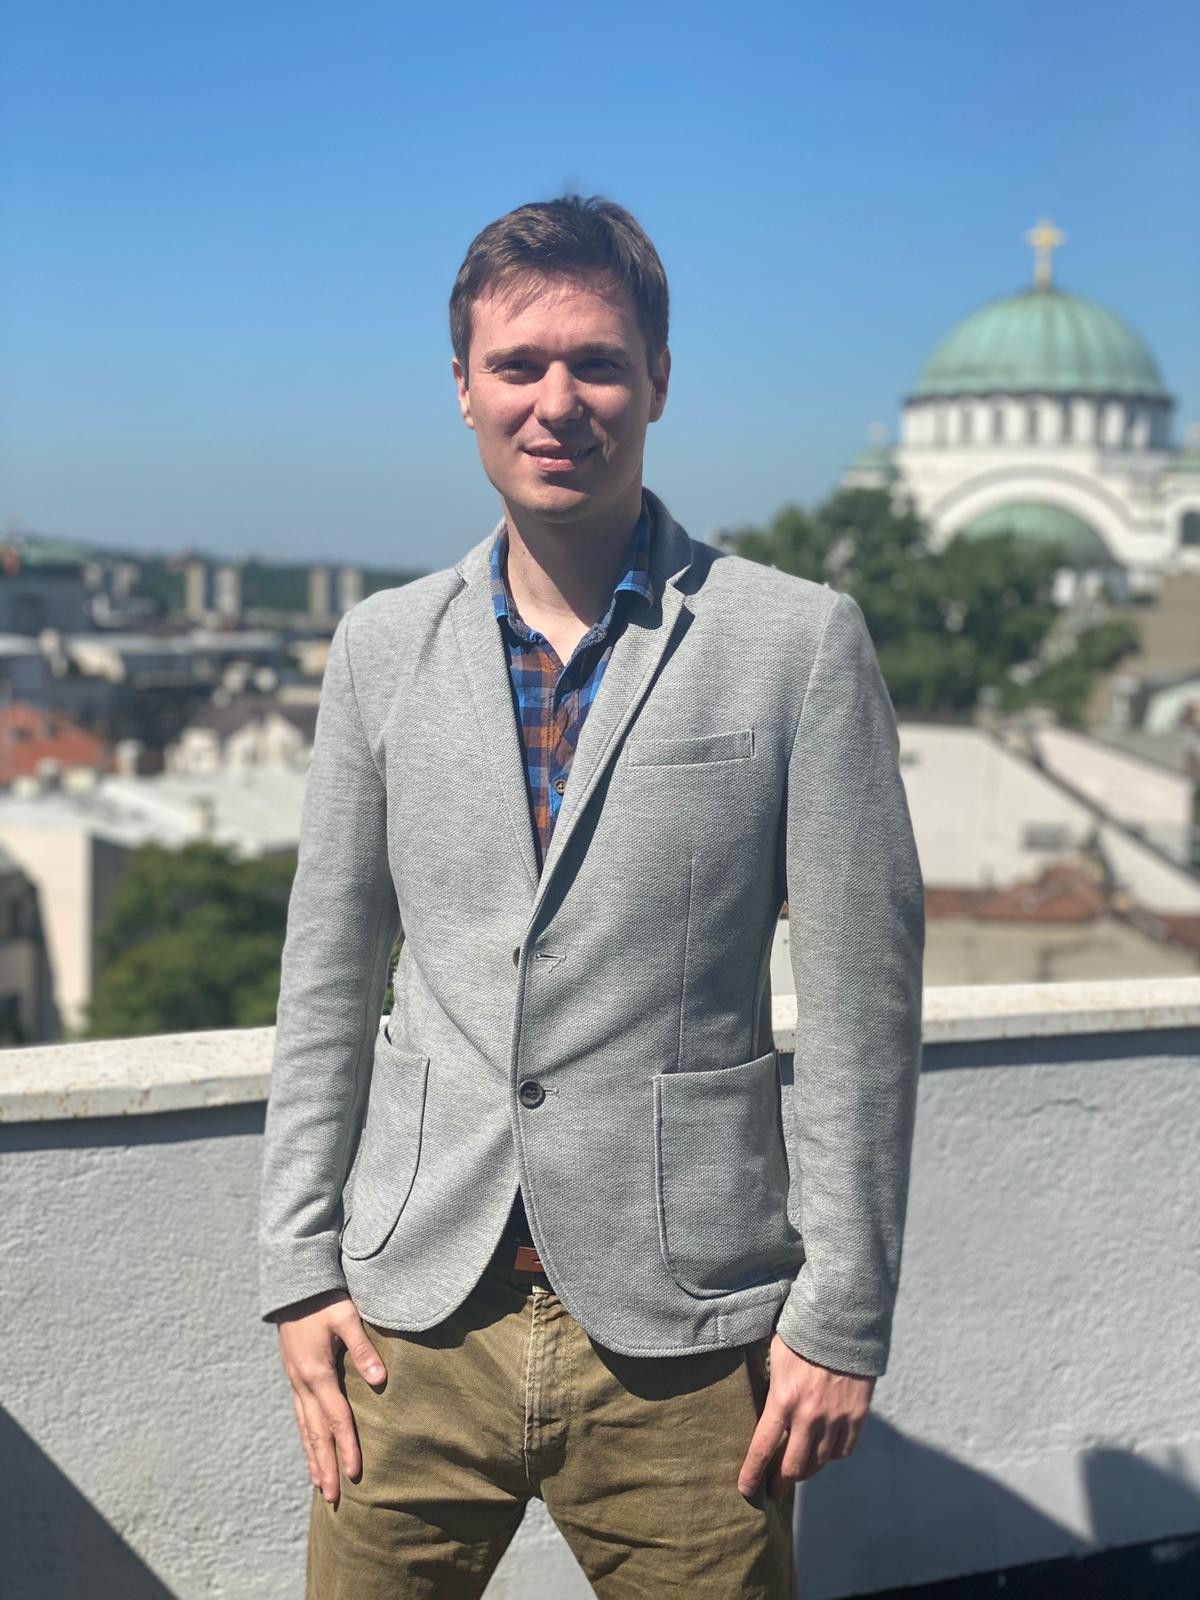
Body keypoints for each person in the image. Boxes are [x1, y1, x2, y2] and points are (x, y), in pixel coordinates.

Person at [258, 194, 925, 1599]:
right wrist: (297, 1265)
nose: (557, 403)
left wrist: (844, 1313)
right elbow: (328, 978)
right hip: (411, 1321)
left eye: (599, 363)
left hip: (688, 1341)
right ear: (463, 387)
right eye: (517, 364)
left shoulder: (795, 643)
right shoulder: (381, 649)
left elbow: (863, 1010)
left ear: (658, 380)